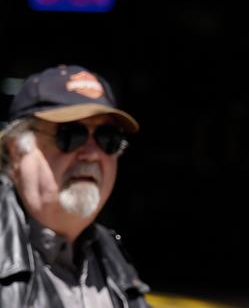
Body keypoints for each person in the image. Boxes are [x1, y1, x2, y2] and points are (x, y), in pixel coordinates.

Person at [0, 64, 150, 307]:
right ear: (17, 150)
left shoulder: (115, 261)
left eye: (107, 138)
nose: (92, 154)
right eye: (70, 134)